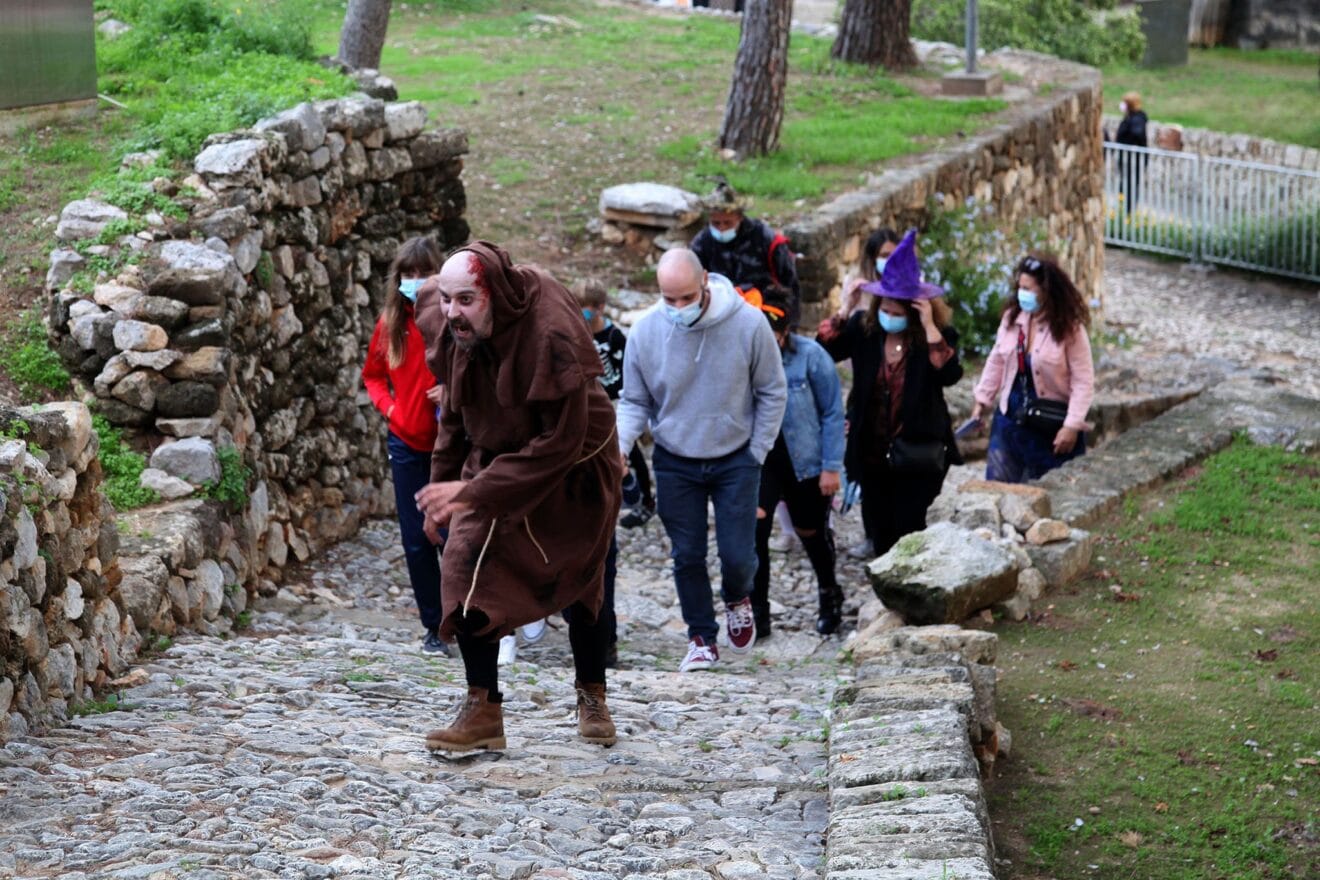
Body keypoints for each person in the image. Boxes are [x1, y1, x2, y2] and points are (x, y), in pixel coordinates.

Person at [413, 241, 622, 752]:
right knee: (462, 565)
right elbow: (456, 417)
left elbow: (559, 442)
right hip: (498, 453)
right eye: (446, 299)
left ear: (493, 294)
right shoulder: (454, 327)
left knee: (582, 580)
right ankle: (483, 709)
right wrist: (443, 491)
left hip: (576, 461)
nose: (452, 312)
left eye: (465, 300)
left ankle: (591, 691)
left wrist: (473, 489)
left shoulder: (550, 328)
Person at [617, 248, 786, 673]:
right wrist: (618, 446)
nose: (677, 308)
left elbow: (772, 389)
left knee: (738, 555)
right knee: (687, 553)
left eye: (686, 297)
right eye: (668, 299)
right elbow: (635, 400)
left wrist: (757, 450)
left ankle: (736, 596)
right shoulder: (645, 332)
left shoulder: (748, 324)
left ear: (705, 281)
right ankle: (701, 637)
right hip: (676, 457)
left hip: (736, 457)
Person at [817, 229, 963, 557]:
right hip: (872, 451)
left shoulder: (936, 337)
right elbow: (822, 351)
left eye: (899, 314)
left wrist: (928, 327)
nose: (890, 318)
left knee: (910, 528)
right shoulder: (863, 331)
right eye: (886, 310)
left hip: (919, 454)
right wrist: (843, 310)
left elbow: (950, 375)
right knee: (881, 531)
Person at [361, 236, 449, 656]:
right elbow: (373, 375)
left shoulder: (456, 318)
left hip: (452, 446)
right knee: (416, 541)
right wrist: (391, 409)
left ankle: (468, 619)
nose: (416, 282)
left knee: (455, 537)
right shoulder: (391, 322)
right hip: (407, 444)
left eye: (424, 273)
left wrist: (451, 389)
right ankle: (434, 627)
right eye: (408, 275)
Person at [751, 288, 846, 638]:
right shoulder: (743, 359)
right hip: (762, 460)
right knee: (755, 532)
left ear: (784, 331)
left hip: (804, 460)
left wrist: (831, 466)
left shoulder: (811, 357)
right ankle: (757, 610)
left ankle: (828, 593)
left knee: (811, 532)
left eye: (771, 335)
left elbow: (833, 413)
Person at [969, 254, 1094, 483]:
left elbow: (1083, 380)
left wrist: (1072, 425)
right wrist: (982, 400)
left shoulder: (1069, 328)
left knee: (1050, 497)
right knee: (999, 489)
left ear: (1045, 291)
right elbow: (997, 359)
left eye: (1028, 288)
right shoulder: (1012, 319)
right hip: (1010, 421)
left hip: (1050, 427)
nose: (1022, 293)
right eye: (1020, 287)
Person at [835, 227, 902, 560]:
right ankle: (872, 534)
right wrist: (847, 309)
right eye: (882, 255)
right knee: (864, 465)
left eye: (893, 254)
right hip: (865, 394)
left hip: (899, 395)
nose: (887, 262)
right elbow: (835, 345)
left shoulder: (910, 289)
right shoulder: (858, 289)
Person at [579, 279, 655, 528]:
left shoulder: (614, 336)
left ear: (600, 307)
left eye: (587, 308)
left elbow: (627, 373)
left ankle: (645, 501)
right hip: (589, 402)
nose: (583, 313)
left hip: (615, 401)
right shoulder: (576, 332)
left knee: (629, 452)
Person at [689, 177, 801, 324]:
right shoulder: (701, 244)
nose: (721, 228)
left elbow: (790, 284)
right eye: (716, 223)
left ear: (739, 217)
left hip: (766, 314)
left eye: (727, 223)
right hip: (717, 316)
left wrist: (788, 326)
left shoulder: (765, 238)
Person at [1115, 91, 1148, 214]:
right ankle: (1123, 207)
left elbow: (1137, 133)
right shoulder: (1130, 117)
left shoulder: (1138, 118)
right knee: (1124, 183)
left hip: (1134, 158)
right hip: (1126, 157)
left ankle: (1129, 210)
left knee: (1131, 183)